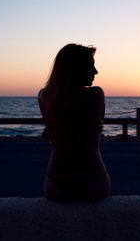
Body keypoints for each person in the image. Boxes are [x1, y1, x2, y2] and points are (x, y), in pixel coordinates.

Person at [38, 43, 111, 202]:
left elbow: (54, 131)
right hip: (94, 179)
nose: (96, 72)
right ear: (75, 69)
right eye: (91, 67)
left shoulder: (44, 97)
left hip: (56, 182)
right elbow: (95, 125)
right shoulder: (97, 95)